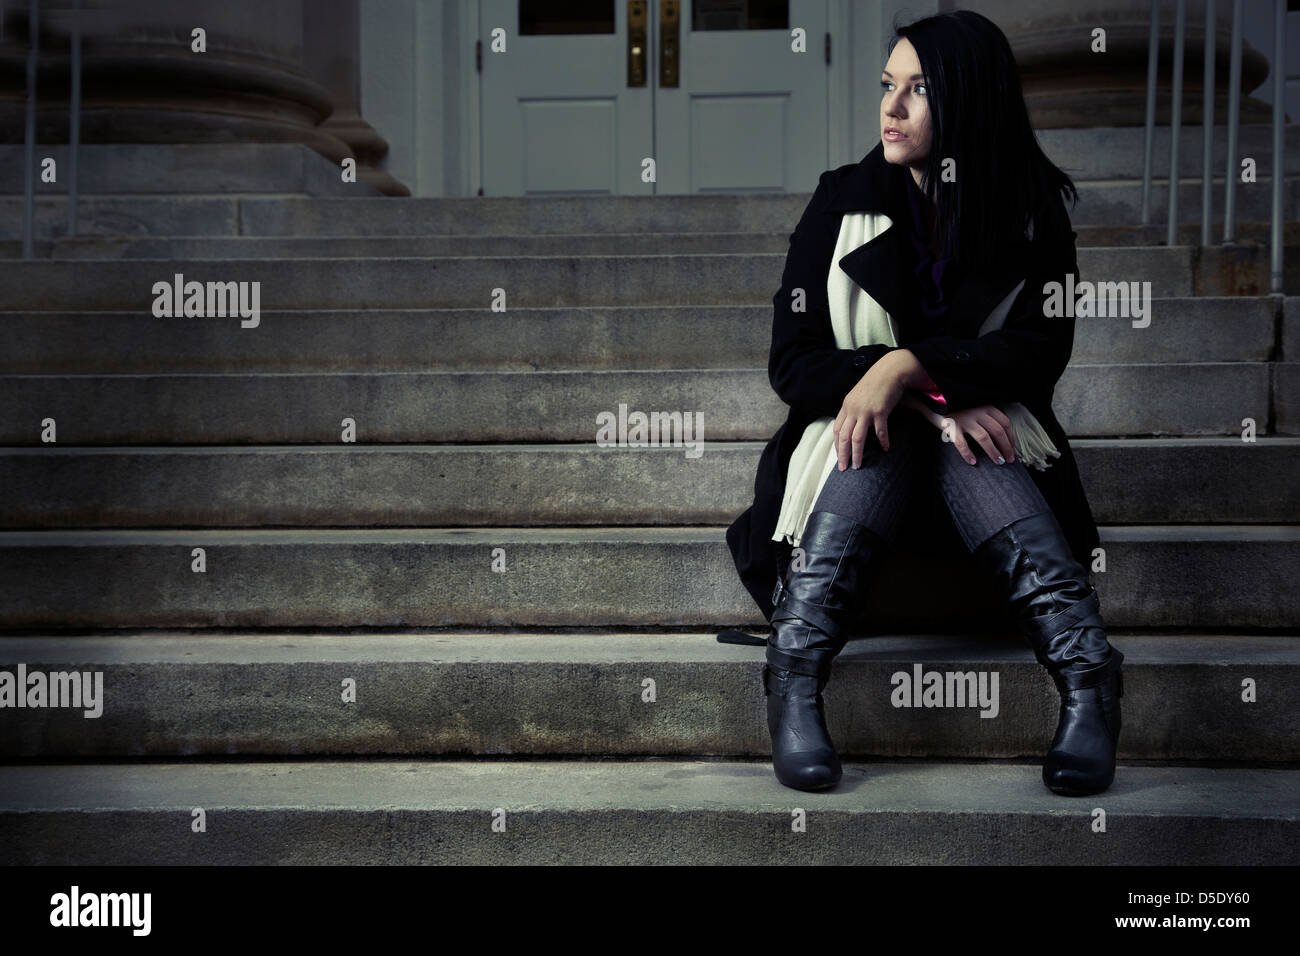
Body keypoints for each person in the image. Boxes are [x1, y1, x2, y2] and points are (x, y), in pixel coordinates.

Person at [722, 10, 1125, 797]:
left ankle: (1086, 686)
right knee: (895, 426)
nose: (891, 110)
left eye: (918, 91)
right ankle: (797, 681)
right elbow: (793, 364)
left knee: (957, 435)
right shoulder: (841, 201)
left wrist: (910, 366)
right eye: (886, 87)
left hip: (981, 517)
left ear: (969, 101)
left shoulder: (1031, 211)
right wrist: (919, 397)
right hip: (858, 497)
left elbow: (1040, 354)